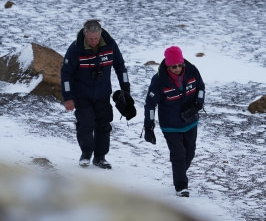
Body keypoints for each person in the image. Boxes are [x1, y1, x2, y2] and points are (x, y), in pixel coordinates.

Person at [61, 19, 131, 169]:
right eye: (91, 38)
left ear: (100, 34)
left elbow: (120, 66)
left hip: (102, 94)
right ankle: (86, 154)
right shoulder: (75, 49)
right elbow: (65, 75)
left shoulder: (110, 45)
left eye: (96, 38)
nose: (93, 41)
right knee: (85, 124)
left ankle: (100, 157)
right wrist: (68, 97)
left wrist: (126, 88)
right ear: (85, 34)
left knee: (103, 125)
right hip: (82, 95)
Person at [143, 46, 205, 197]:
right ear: (167, 66)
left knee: (189, 153)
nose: (177, 68)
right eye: (173, 66)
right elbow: (150, 104)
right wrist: (149, 126)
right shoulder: (159, 80)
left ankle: (179, 172)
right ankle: (181, 186)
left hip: (190, 122)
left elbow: (201, 88)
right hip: (170, 125)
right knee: (178, 155)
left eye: (179, 65)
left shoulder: (192, 71)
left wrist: (197, 105)